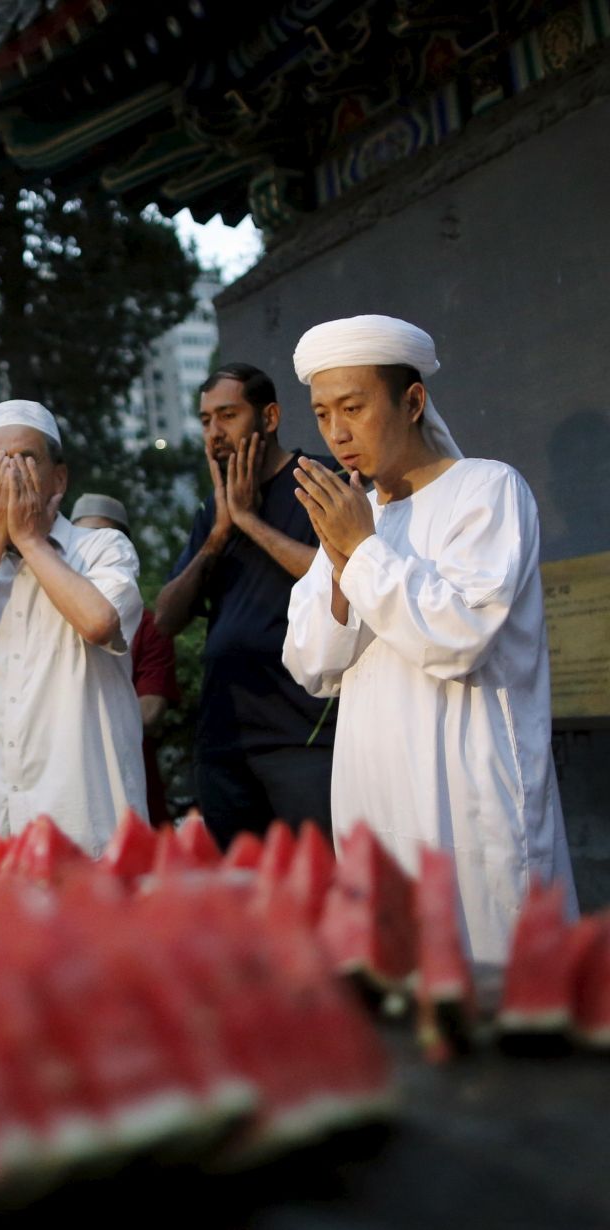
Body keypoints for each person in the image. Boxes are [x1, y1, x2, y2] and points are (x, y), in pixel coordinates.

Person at [281, 314, 577, 963]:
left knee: (500, 982)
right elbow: (312, 664)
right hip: (373, 797)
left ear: (412, 401)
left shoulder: (487, 490)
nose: (336, 432)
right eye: (323, 412)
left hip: (469, 800)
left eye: (353, 407)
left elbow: (458, 638)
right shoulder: (351, 519)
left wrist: (359, 547)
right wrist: (339, 558)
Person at [0, 401, 145, 849]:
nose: (11, 474)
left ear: (58, 478)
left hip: (90, 818)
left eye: (25, 459)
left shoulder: (102, 547)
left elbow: (99, 623)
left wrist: (28, 538)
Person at [154, 363, 336, 845]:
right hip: (223, 741)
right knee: (244, 902)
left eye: (228, 415)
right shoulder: (211, 510)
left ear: (269, 417)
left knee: (317, 895)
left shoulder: (321, 480)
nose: (214, 432)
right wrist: (219, 533)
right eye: (206, 420)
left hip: (303, 737)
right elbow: (166, 618)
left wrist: (250, 522)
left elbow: (351, 577)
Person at [72, 493, 181, 828]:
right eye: (84, 541)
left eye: (106, 541)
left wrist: (80, 719)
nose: (95, 551)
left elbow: (151, 708)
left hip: (126, 774)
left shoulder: (149, 626)